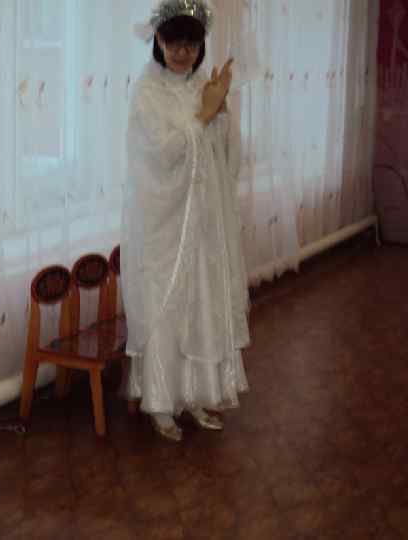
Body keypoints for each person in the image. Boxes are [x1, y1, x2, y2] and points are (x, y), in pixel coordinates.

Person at [121, 0, 253, 442]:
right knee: (166, 306)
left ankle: (197, 395)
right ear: (158, 40)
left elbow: (223, 155)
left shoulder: (202, 85)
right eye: (175, 42)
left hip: (202, 221)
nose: (182, 53)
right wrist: (204, 115)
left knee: (201, 304)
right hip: (163, 224)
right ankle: (161, 403)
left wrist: (221, 111)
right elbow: (159, 154)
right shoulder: (147, 92)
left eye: (191, 44)